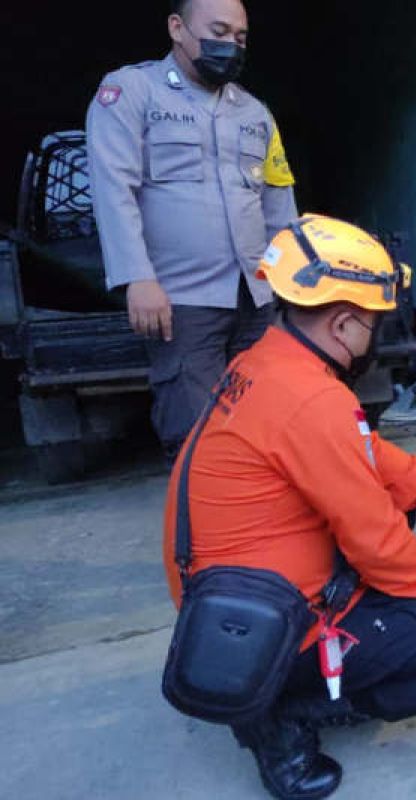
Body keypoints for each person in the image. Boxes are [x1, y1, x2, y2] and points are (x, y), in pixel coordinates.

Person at [163, 216, 416, 800]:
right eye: (373, 324)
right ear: (343, 323)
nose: (375, 336)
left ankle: (287, 690)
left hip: (226, 594)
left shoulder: (266, 361)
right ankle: (280, 713)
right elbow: (373, 541)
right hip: (261, 625)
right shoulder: (311, 399)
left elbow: (356, 451)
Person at [88, 0, 297, 461]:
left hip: (257, 296)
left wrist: (292, 283)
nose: (231, 45)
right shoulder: (130, 92)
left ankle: (264, 528)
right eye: (219, 31)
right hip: (180, 299)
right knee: (197, 437)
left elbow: (278, 203)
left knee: (271, 423)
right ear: (177, 28)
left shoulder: (256, 113)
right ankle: (206, 532)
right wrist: (136, 278)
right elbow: (112, 189)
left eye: (240, 37)